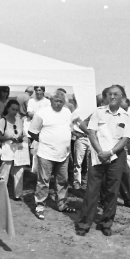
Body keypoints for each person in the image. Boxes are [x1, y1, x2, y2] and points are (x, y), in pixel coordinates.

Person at [76, 85, 130, 237]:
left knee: (111, 190)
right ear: (106, 96)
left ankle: (106, 223)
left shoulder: (126, 116)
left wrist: (111, 152)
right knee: (92, 190)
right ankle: (84, 223)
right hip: (97, 154)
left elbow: (125, 139)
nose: (113, 97)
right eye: (110, 94)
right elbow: (91, 133)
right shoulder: (98, 112)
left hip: (116, 155)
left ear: (122, 97)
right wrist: (101, 151)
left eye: (116, 94)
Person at [28, 91, 75, 220]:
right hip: (46, 154)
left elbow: (70, 128)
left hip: (63, 154)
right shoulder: (42, 113)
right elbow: (32, 131)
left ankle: (62, 204)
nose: (58, 103)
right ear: (51, 101)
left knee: (62, 181)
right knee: (43, 181)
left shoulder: (67, 112)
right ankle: (40, 206)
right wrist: (45, 140)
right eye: (56, 101)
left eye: (61, 101)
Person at [0, 99, 26, 200]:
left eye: (16, 110)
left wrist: (20, 138)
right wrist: (9, 138)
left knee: (19, 173)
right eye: (13, 109)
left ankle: (18, 194)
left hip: (18, 150)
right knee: (4, 173)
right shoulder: (3, 121)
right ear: (8, 109)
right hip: (7, 150)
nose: (14, 112)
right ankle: (1, 194)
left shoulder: (19, 121)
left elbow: (22, 134)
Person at [70, 103, 90, 190]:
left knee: (91, 162)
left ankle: (88, 182)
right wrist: (74, 132)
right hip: (81, 137)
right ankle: (77, 182)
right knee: (78, 161)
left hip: (92, 138)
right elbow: (69, 122)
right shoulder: (78, 111)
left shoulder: (94, 110)